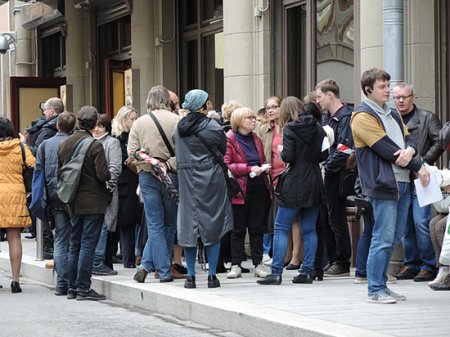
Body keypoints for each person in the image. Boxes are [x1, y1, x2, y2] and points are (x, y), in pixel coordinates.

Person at [351, 67, 430, 304]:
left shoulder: (392, 113)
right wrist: (417, 163)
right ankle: (374, 289)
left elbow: (410, 139)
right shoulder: (362, 116)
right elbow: (386, 149)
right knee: (383, 236)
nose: (388, 90)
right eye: (382, 87)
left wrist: (411, 153)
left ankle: (382, 284)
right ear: (368, 90)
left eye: (388, 85)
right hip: (384, 183)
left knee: (394, 235)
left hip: (403, 182)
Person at [257, 98, 327, 285]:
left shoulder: (290, 128)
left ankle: (276, 272)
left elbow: (288, 156)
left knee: (281, 227)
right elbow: (324, 155)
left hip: (295, 181)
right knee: (309, 229)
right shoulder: (318, 127)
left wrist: (282, 151)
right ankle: (306, 271)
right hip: (314, 180)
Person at [173, 89, 233, 288]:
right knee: (213, 224)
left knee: (189, 225)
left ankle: (190, 276)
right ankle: (212, 276)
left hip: (187, 180)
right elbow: (222, 150)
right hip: (211, 179)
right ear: (203, 105)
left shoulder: (178, 128)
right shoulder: (213, 127)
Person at [57, 106, 111, 301]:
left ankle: (72, 288)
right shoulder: (95, 145)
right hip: (93, 202)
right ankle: (83, 288)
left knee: (74, 244)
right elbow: (103, 175)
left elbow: (59, 173)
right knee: (88, 245)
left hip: (72, 201)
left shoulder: (63, 144)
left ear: (78, 121)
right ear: (96, 123)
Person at [128, 85, 181, 283]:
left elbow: (132, 153)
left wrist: (151, 164)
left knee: (155, 224)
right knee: (169, 223)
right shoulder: (177, 120)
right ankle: (161, 268)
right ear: (167, 100)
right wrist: (167, 164)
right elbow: (185, 152)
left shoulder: (139, 123)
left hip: (148, 176)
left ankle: (152, 266)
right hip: (173, 175)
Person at [392, 82, 443, 282]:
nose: (401, 101)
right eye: (397, 97)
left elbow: (439, 141)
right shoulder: (392, 119)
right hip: (401, 177)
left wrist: (423, 163)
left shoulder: (427, 117)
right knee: (404, 224)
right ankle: (411, 264)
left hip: (424, 177)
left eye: (405, 97)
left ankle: (428, 266)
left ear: (413, 97)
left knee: (421, 222)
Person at [224, 107, 272, 279]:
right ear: (238, 121)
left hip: (259, 185)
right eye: (249, 118)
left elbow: (262, 159)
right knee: (238, 228)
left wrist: (264, 168)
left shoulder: (256, 138)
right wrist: (249, 168)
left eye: (254, 117)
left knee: (256, 227)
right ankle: (236, 264)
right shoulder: (229, 138)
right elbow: (227, 164)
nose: (254, 120)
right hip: (240, 188)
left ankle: (258, 264)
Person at [315, 79, 354, 276]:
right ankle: (332, 259)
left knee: (336, 217)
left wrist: (327, 168)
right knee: (327, 217)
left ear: (330, 95)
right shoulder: (327, 118)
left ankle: (342, 261)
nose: (317, 100)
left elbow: (345, 148)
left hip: (338, 175)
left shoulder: (346, 116)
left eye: (320, 96)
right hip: (328, 173)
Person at [36, 111, 76, 295]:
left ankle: (61, 283)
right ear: (73, 127)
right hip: (74, 196)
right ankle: (72, 282)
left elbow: (39, 173)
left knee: (60, 238)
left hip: (54, 196)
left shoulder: (44, 145)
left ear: (58, 125)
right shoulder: (76, 143)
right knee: (75, 239)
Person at [20, 97, 65, 256]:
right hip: (59, 177)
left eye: (45, 109)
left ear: (51, 111)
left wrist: (24, 144)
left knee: (45, 210)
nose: (43, 112)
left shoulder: (47, 130)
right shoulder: (58, 128)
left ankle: (47, 246)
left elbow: (38, 153)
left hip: (48, 177)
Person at [0, 117, 36, 293]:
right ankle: (15, 281)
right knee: (14, 238)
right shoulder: (20, 147)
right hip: (15, 196)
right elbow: (34, 164)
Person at [112, 106, 143, 268]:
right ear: (123, 120)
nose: (135, 121)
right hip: (125, 184)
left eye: (136, 118)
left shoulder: (137, 136)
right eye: (132, 119)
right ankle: (128, 259)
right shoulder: (117, 139)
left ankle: (139, 256)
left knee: (141, 222)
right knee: (127, 223)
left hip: (138, 181)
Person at [91, 114, 122, 276]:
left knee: (104, 226)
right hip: (90, 193)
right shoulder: (89, 141)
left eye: (100, 126)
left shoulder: (112, 143)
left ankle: (100, 261)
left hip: (106, 192)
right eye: (95, 126)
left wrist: (107, 187)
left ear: (107, 128)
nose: (96, 129)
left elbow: (115, 168)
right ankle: (97, 261)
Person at [257, 96, 283, 267]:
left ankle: (288, 256)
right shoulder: (263, 130)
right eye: (268, 108)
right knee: (272, 218)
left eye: (274, 106)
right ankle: (273, 253)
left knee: (285, 219)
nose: (271, 110)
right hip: (269, 178)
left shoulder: (288, 128)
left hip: (286, 176)